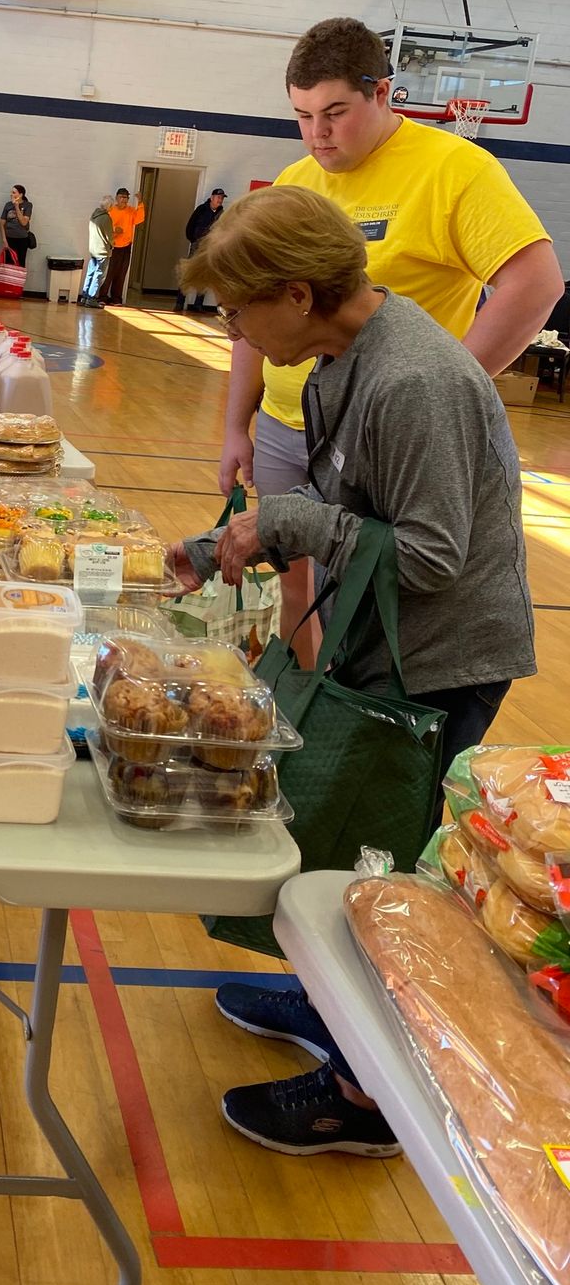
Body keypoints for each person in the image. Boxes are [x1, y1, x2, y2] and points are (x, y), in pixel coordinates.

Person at [170, 184, 536, 1156]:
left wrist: (290, 523)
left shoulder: (413, 379)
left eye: (239, 310)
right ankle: (320, 995)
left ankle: (362, 1098)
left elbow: (432, 556)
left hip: (443, 658)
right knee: (332, 833)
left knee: (385, 861)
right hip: (388, 642)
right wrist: (245, 543)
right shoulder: (339, 355)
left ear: (296, 293)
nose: (233, 330)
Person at [219, 16, 559, 662]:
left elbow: (534, 283)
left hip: (383, 435)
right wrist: (239, 425)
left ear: (383, 93)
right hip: (289, 424)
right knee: (294, 590)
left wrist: (443, 386)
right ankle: (301, 712)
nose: (318, 133)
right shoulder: (296, 181)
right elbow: (250, 320)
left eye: (335, 112)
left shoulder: (456, 168)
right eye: (302, 115)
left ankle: (357, 720)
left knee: (365, 595)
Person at [176, 187, 226, 312]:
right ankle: (179, 303)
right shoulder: (201, 209)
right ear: (212, 197)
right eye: (218, 197)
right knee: (187, 273)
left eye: (222, 198)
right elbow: (190, 225)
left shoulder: (222, 213)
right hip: (197, 245)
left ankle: (198, 305)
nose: (220, 200)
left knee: (205, 276)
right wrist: (193, 239)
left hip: (209, 247)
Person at [101, 187, 145, 305]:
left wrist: (140, 202)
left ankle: (116, 298)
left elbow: (140, 218)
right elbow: (104, 227)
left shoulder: (130, 211)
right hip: (113, 246)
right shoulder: (111, 211)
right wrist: (115, 230)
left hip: (126, 246)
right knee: (109, 273)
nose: (124, 200)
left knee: (121, 273)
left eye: (126, 197)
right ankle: (102, 297)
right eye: (121, 197)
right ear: (116, 198)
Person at [79, 195, 113, 306]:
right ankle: (92, 298)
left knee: (90, 273)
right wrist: (113, 245)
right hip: (102, 251)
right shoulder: (106, 218)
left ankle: (84, 297)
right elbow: (109, 236)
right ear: (109, 206)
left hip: (93, 249)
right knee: (99, 275)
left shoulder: (94, 216)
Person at [0, 185, 35, 268]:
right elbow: (2, 223)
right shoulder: (7, 205)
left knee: (21, 263)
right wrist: (4, 240)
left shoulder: (28, 205)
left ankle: (18, 281)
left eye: (14, 192)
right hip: (9, 238)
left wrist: (16, 206)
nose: (11, 194)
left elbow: (24, 222)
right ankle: (9, 280)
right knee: (9, 263)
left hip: (22, 239)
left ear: (21, 194)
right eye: (11, 192)